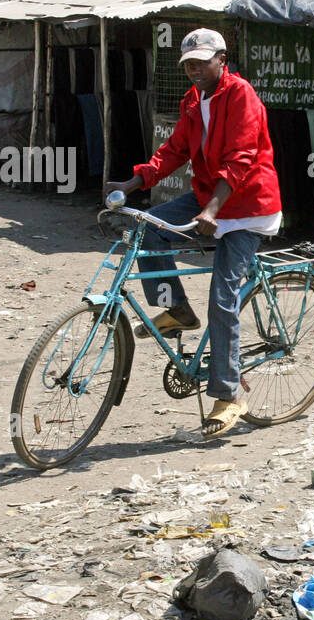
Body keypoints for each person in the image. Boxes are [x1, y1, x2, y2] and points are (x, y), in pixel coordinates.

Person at [104, 28, 282, 439]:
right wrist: (132, 184)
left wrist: (212, 211)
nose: (195, 69)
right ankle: (177, 309)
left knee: (223, 300)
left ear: (222, 58)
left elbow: (241, 159)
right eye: (188, 64)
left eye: (202, 61)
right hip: (209, 199)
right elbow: (174, 151)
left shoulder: (242, 97)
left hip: (247, 207)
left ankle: (229, 396)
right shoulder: (192, 100)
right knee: (146, 228)